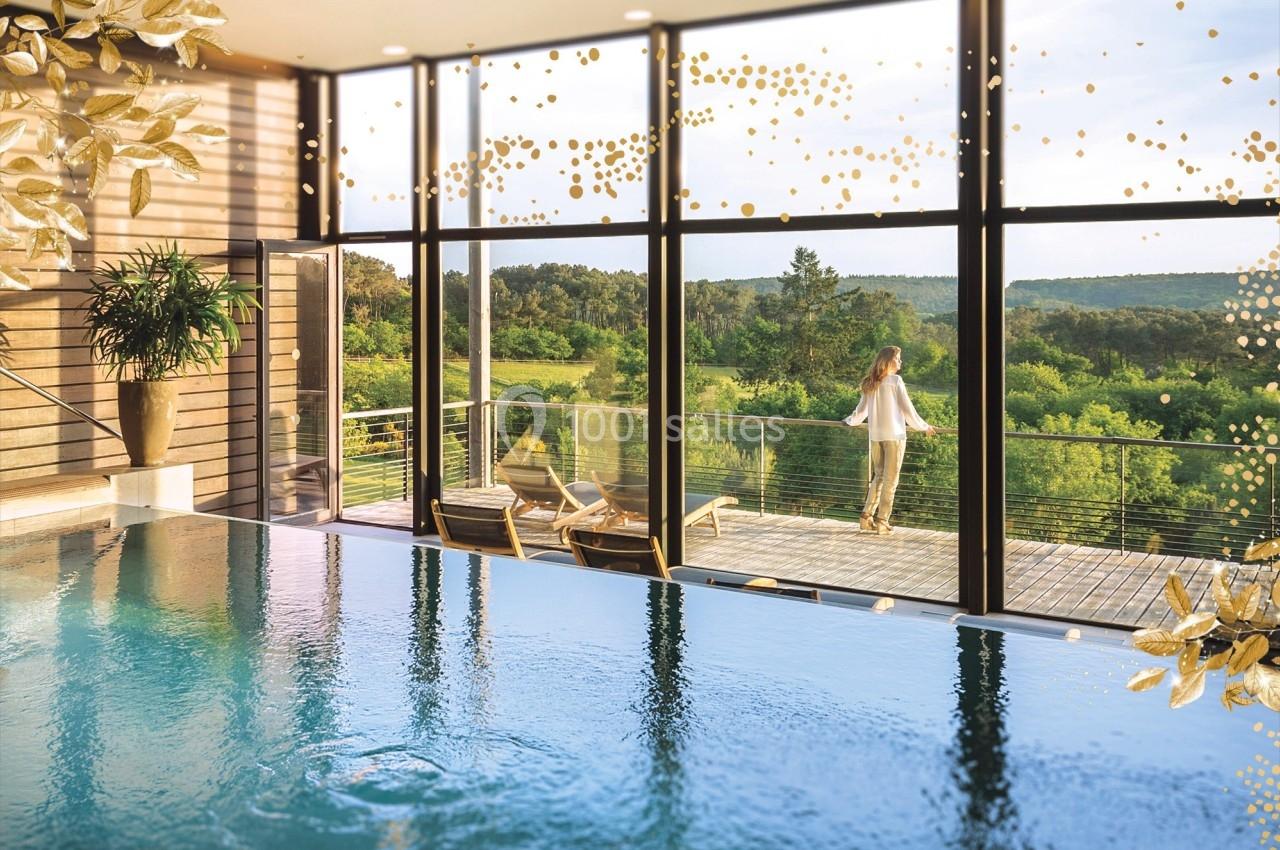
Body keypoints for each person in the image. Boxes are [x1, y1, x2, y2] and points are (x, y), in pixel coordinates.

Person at [842, 346, 936, 535]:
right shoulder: (895, 381)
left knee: (879, 476)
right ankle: (883, 520)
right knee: (891, 480)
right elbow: (907, 408)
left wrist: (849, 421)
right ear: (888, 361)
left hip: (876, 436)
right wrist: (923, 426)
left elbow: (861, 411)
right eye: (898, 358)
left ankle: (866, 517)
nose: (900, 362)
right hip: (894, 436)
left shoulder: (871, 382)